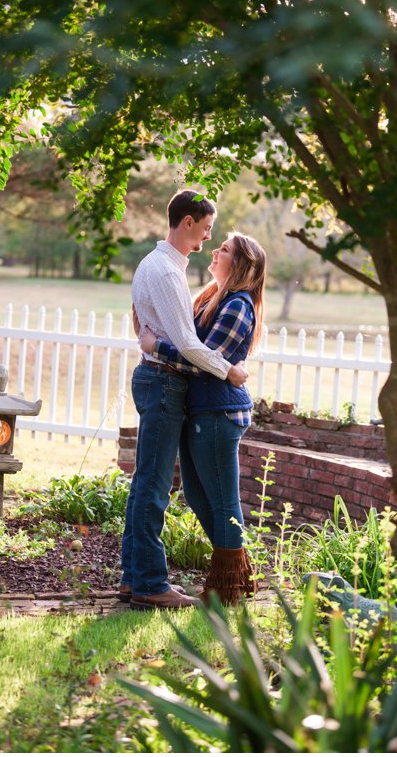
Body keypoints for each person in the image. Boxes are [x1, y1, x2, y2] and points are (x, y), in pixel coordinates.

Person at [122, 190, 249, 611]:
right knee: (154, 486)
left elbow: (159, 333)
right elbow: (190, 346)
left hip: (160, 379)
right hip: (164, 382)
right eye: (206, 228)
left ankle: (133, 577)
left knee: (146, 483)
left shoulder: (159, 266)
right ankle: (149, 583)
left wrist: (152, 342)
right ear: (189, 221)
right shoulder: (166, 272)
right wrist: (228, 370)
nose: (207, 239)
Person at [139, 231, 266, 604]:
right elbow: (199, 352)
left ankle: (227, 589)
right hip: (202, 411)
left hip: (219, 414)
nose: (215, 250)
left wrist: (155, 347)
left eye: (224, 249)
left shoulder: (238, 305)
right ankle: (236, 571)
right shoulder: (213, 299)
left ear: (242, 264)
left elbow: (204, 362)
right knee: (196, 495)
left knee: (224, 501)